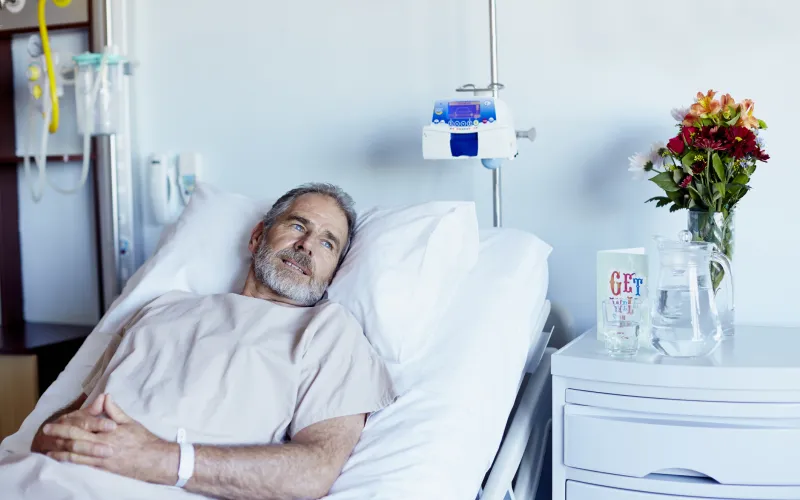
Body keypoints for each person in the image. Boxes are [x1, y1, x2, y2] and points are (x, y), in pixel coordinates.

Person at [7, 183, 396, 500]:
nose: (307, 245)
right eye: (298, 226)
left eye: (328, 243)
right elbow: (63, 421)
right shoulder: (161, 308)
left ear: (333, 272)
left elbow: (315, 470)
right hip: (37, 478)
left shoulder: (329, 331)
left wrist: (159, 459)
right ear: (258, 236)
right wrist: (55, 437)